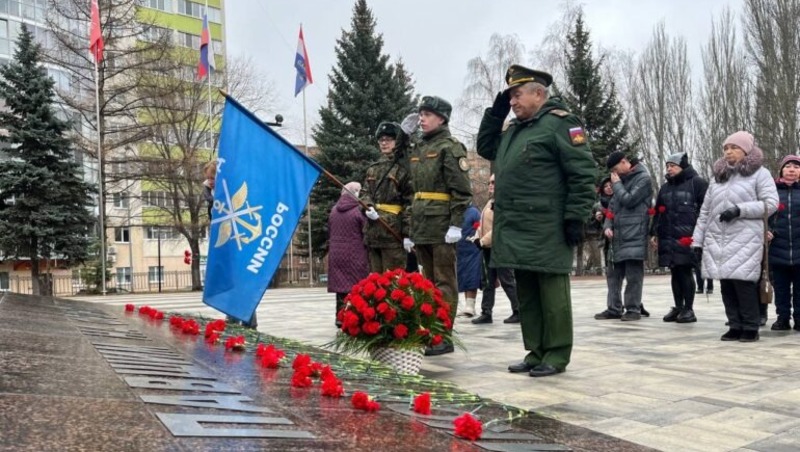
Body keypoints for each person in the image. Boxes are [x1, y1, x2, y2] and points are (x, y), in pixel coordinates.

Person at [476, 65, 597, 377]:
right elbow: (485, 147)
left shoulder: (561, 124)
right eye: (510, 97)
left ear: (539, 94)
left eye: (517, 95)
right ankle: (535, 351)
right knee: (528, 291)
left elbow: (583, 173)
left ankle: (556, 354)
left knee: (552, 293)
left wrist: (576, 217)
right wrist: (497, 111)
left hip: (548, 224)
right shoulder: (515, 130)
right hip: (515, 224)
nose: (513, 101)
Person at [692, 131, 778, 342]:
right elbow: (705, 211)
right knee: (727, 284)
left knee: (743, 282)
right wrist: (697, 241)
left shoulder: (760, 174)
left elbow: (771, 203)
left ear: (746, 150)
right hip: (717, 239)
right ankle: (735, 324)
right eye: (726, 148)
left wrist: (740, 209)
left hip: (745, 237)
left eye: (734, 147)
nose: (729, 152)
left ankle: (750, 326)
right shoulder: (718, 177)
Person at [409, 95, 473, 356]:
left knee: (445, 282)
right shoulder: (419, 148)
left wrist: (456, 225)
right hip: (423, 225)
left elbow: (461, 191)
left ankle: (442, 335)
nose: (421, 119)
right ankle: (430, 331)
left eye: (427, 114)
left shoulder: (450, 147)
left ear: (441, 118)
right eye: (420, 114)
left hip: (443, 225)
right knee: (428, 283)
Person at [594, 152, 653, 322]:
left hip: (634, 233)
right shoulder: (621, 180)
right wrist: (607, 226)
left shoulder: (643, 179)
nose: (615, 173)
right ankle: (614, 308)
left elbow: (629, 200)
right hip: (617, 235)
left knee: (633, 275)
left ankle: (633, 309)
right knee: (613, 275)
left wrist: (618, 185)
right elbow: (612, 208)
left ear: (624, 162)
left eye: (615, 168)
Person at [650, 153, 708, 323]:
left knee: (685, 271)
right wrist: (654, 232)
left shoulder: (696, 183)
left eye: (673, 165)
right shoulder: (665, 188)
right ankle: (678, 307)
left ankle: (689, 309)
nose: (669, 168)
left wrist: (701, 235)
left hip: (688, 237)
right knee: (674, 272)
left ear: (683, 166)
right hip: (668, 236)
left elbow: (706, 210)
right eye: (667, 166)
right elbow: (658, 212)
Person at [363, 122, 413, 273]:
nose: (384, 143)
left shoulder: (404, 168)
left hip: (393, 232)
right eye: (381, 140)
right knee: (375, 284)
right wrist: (368, 206)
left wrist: (407, 234)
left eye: (388, 139)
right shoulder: (373, 168)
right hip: (373, 233)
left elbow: (410, 202)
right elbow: (364, 192)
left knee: (393, 283)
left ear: (397, 141)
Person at [470, 174, 520, 325]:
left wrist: (483, 241)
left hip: (500, 248)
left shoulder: (503, 203)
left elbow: (499, 227)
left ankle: (519, 311)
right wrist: (476, 237)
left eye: (494, 182)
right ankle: (486, 312)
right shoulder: (490, 202)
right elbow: (483, 224)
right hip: (489, 248)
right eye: (489, 183)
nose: (490, 185)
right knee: (488, 282)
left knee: (507, 281)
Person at [327, 182, 370, 327]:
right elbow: (365, 231)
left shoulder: (334, 210)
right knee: (356, 287)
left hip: (336, 254)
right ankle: (354, 319)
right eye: (359, 191)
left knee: (340, 287)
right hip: (354, 254)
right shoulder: (358, 210)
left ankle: (340, 317)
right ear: (355, 192)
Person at [767, 155, 800, 331]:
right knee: (781, 288)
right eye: (788, 166)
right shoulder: (771, 192)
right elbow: (763, 215)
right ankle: (783, 318)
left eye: (796, 166)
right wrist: (766, 230)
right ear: (781, 170)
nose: (792, 169)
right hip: (777, 249)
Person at [457, 203, 482, 317]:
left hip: (472, 250)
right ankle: (465, 305)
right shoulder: (455, 211)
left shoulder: (474, 212)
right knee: (462, 276)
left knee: (472, 276)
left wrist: (475, 237)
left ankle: (470, 305)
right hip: (459, 250)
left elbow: (479, 227)